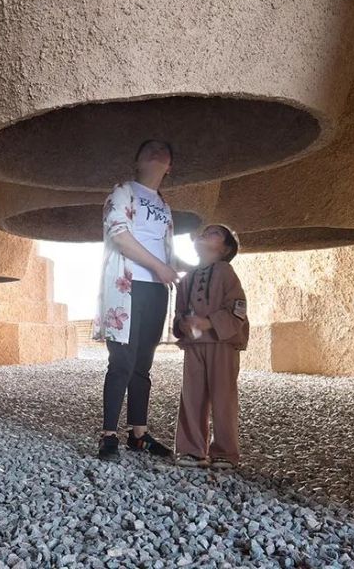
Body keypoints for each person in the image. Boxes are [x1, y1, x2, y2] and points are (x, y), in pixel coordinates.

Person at [93, 138, 180, 462]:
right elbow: (119, 234)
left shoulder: (163, 204)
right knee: (122, 363)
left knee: (143, 364)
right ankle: (108, 435)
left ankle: (138, 434)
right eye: (149, 148)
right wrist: (160, 267)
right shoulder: (123, 191)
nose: (158, 150)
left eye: (164, 150)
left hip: (156, 289)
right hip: (127, 285)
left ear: (170, 167)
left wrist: (180, 266)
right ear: (138, 161)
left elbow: (164, 249)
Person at [173, 223, 249, 469]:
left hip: (222, 344)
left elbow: (238, 308)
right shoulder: (187, 279)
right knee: (191, 396)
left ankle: (225, 452)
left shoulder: (227, 273)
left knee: (223, 397)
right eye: (205, 231)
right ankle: (191, 450)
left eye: (214, 233)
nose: (206, 234)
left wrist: (208, 322)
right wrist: (182, 324)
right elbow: (179, 312)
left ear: (225, 249)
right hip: (194, 347)